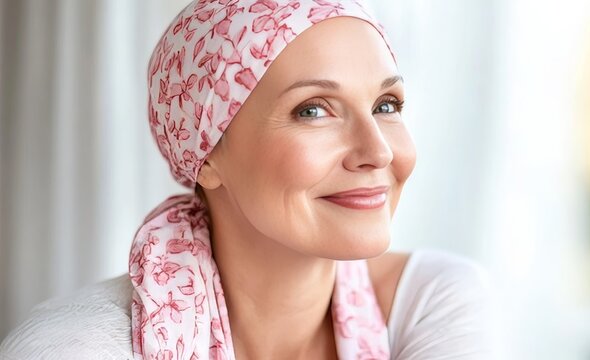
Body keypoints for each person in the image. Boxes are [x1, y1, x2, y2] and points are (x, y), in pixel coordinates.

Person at [0, 1, 493, 359]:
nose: (379, 151)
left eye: (387, 105)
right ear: (206, 152)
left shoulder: (430, 300)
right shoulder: (74, 347)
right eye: (313, 110)